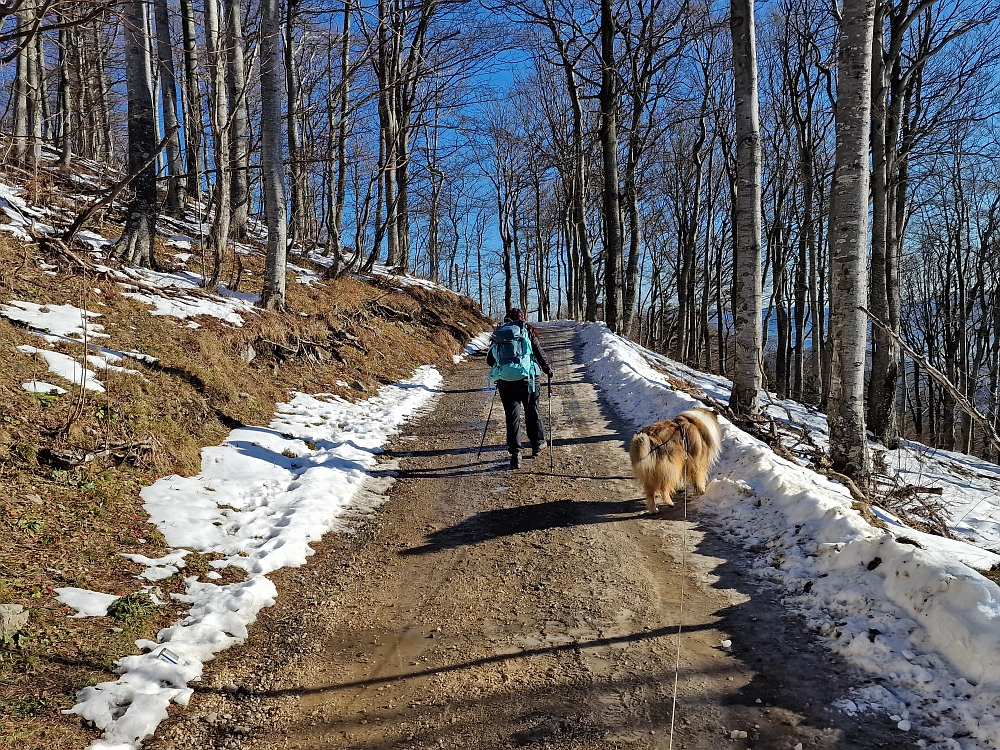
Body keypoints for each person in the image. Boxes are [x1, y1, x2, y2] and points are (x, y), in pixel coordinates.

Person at [486, 308, 553, 469]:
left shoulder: (499, 334)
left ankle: (516, 453)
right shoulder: (526, 331)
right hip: (528, 380)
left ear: (507, 318)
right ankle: (537, 444)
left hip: (505, 382)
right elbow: (539, 353)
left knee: (512, 417)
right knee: (532, 410)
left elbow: (490, 360)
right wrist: (548, 369)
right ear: (522, 318)